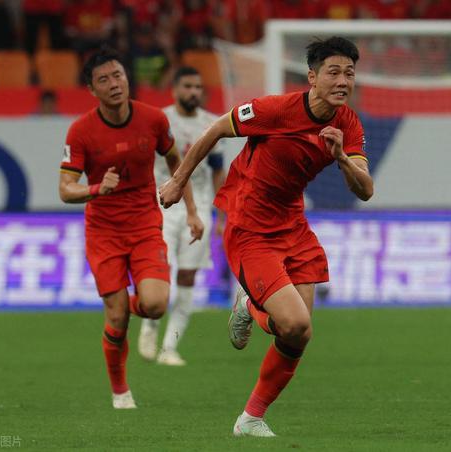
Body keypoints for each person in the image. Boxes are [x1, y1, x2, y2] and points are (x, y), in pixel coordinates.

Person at [159, 36, 373, 436]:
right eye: (334, 72)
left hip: (293, 225)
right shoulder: (274, 110)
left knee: (298, 332)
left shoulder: (347, 123)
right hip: (250, 225)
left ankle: (250, 418)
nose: (343, 81)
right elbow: (215, 129)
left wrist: (342, 157)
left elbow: (365, 190)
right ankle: (249, 306)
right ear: (312, 77)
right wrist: (177, 181)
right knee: (295, 323)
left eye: (350, 73)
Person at [58, 46, 203, 409]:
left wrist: (191, 209)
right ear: (92, 89)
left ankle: (120, 307)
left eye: (118, 75)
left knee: (155, 305)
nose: (114, 84)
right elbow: (65, 189)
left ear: (126, 78)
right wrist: (96, 189)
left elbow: (176, 162)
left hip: (144, 226)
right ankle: (120, 391)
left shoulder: (153, 119)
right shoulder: (80, 131)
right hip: (103, 233)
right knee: (118, 318)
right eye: (103, 80)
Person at [138, 66, 226, 366]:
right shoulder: (159, 121)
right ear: (175, 89)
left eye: (198, 87)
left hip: (199, 207)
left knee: (187, 276)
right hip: (162, 203)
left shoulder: (212, 124)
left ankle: (170, 348)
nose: (194, 92)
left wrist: (221, 215)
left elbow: (217, 171)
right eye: (188, 86)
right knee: (161, 270)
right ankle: (149, 326)